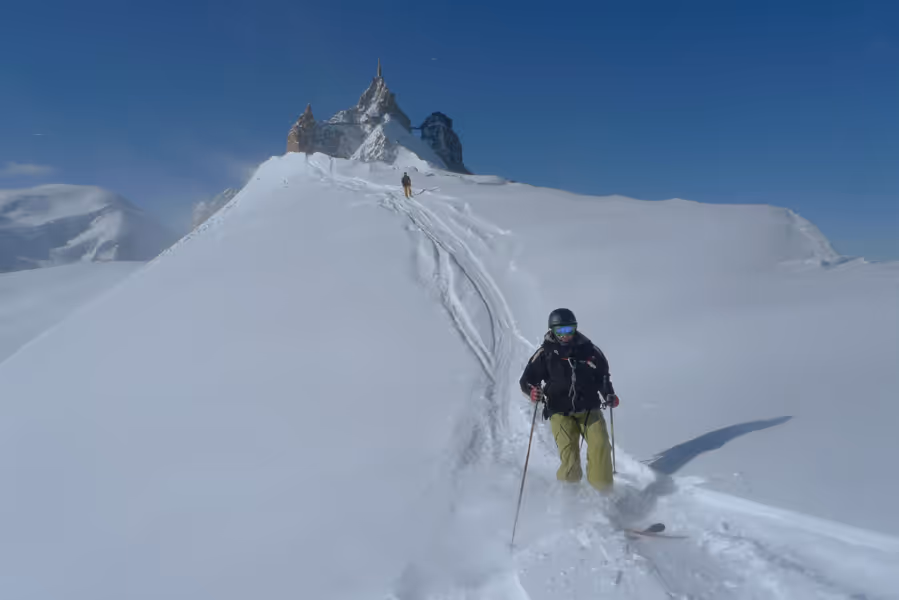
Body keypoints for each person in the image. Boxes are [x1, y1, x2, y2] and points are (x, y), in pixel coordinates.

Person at [519, 308, 619, 492]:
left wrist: (608, 394)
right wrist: (533, 392)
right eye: (561, 331)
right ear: (552, 331)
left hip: (589, 408)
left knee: (601, 446)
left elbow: (602, 376)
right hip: (559, 411)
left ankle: (603, 495)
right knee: (570, 460)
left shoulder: (590, 350)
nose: (566, 335)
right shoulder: (545, 354)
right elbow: (526, 380)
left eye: (570, 330)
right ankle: (569, 502)